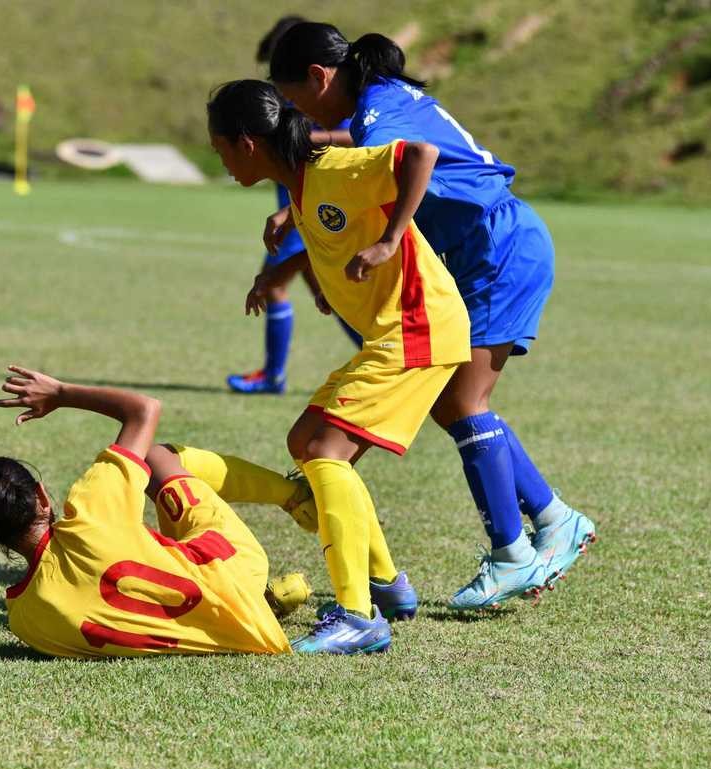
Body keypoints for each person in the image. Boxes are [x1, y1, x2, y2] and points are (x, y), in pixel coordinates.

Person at [265, 23, 596, 610]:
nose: (295, 111)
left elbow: (415, 154)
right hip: (487, 246)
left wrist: (391, 238)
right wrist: (298, 210)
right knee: (451, 400)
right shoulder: (383, 93)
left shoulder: (375, 117)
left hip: (497, 250)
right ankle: (554, 516)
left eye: (294, 99)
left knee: (463, 403)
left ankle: (512, 555)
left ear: (318, 79)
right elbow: (359, 153)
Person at [207, 79, 466, 653]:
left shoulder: (331, 169)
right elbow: (335, 219)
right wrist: (291, 250)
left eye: (220, 148)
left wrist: (391, 240)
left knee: (326, 452)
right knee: (307, 441)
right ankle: (387, 586)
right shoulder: (303, 186)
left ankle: (358, 615)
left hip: (419, 329)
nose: (221, 160)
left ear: (247, 142)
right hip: (396, 334)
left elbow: (419, 154)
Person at [0, 365, 358, 658]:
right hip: (232, 568)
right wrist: (62, 393)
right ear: (44, 498)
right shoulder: (91, 509)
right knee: (160, 456)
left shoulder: (28, 622)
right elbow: (144, 410)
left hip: (242, 637)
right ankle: (294, 498)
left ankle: (264, 599)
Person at [227, 15, 361, 395]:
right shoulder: (294, 95)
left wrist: (316, 140)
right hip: (298, 205)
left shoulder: (321, 95)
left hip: (311, 208)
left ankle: (273, 376)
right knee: (330, 293)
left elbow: (358, 134)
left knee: (276, 287)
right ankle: (382, 356)